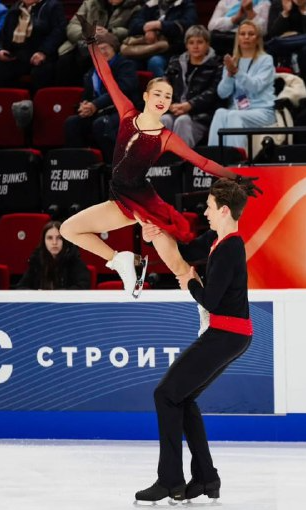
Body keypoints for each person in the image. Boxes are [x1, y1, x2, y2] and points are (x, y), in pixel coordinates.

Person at [60, 15, 259, 298]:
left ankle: (206, 309)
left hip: (144, 202)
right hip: (119, 199)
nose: (163, 99)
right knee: (69, 229)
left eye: (168, 95)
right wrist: (92, 43)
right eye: (158, 93)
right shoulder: (127, 112)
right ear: (146, 95)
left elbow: (201, 162)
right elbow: (107, 76)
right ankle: (121, 260)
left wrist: (236, 176)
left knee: (179, 267)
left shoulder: (166, 137)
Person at [134, 179, 253, 503]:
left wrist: (189, 282)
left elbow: (211, 301)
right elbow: (185, 251)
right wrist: (157, 233)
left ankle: (169, 480)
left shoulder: (231, 247)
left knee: (165, 394)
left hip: (226, 333)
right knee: (181, 399)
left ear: (225, 210)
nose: (206, 212)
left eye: (210, 207)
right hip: (231, 334)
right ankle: (206, 478)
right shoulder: (217, 240)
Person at [63, 31, 138, 162]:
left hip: (123, 112)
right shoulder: (92, 72)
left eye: (105, 48)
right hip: (100, 111)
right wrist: (83, 106)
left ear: (113, 48)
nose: (102, 53)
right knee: (72, 122)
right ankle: (80, 166)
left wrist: (95, 105)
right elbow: (86, 96)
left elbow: (120, 91)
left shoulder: (125, 65)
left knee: (101, 124)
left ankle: (114, 167)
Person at [206, 19, 276, 152]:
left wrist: (237, 72)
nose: (246, 37)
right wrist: (229, 75)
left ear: (258, 39)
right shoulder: (233, 61)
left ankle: (236, 159)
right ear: (238, 38)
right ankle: (213, 158)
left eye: (251, 34)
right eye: (242, 34)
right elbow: (222, 93)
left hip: (262, 110)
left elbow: (255, 86)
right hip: (238, 109)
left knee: (233, 116)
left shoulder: (266, 60)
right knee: (220, 112)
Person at [161, 25, 224, 148]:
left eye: (200, 42)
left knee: (182, 121)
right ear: (186, 45)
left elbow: (213, 93)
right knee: (164, 120)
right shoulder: (175, 64)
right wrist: (170, 104)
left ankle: (182, 162)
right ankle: (160, 163)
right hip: (175, 111)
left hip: (200, 116)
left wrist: (190, 105)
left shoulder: (217, 66)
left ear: (207, 44)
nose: (195, 46)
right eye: (191, 43)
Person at [56, 0, 141, 86]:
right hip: (83, 43)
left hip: (113, 47)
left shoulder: (134, 8)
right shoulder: (90, 3)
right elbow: (72, 26)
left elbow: (132, 31)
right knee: (65, 61)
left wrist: (109, 33)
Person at [0, 0, 67, 93]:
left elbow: (59, 32)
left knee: (41, 73)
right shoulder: (14, 10)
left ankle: (37, 105)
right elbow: (2, 37)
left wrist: (43, 52)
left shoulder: (52, 6)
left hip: (43, 56)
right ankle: (9, 104)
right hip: (17, 56)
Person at [264, 0, 306, 91]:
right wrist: (285, 13)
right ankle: (272, 91)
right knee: (269, 52)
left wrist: (304, 9)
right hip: (283, 44)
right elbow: (272, 32)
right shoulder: (277, 3)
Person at [126, 0, 197, 77]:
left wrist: (160, 25)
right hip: (146, 49)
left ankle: (164, 88)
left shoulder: (186, 4)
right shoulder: (151, 4)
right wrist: (146, 28)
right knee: (126, 62)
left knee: (155, 62)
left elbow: (188, 25)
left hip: (171, 50)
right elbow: (133, 25)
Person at [16, 220, 91, 290]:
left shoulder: (73, 260)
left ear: (64, 241)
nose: (54, 242)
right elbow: (21, 287)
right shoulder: (37, 260)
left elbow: (83, 286)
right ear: (43, 241)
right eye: (50, 238)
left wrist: (57, 295)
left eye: (59, 238)